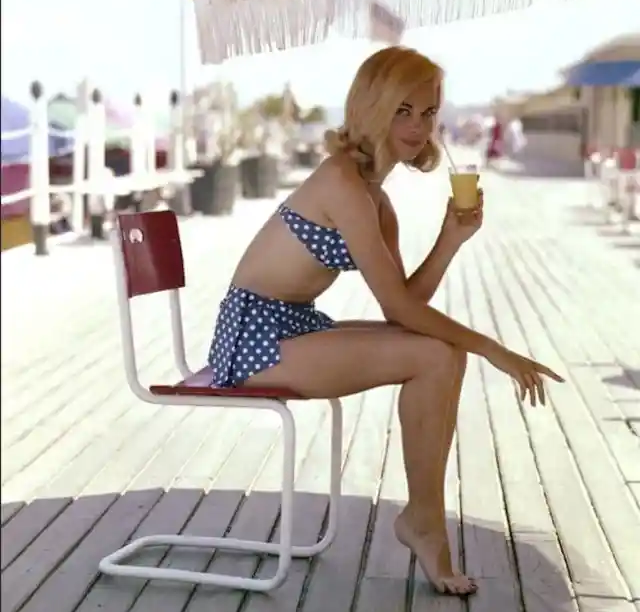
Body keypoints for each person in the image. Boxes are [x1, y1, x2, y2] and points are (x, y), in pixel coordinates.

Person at [207, 46, 564, 597]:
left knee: (441, 351)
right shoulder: (342, 183)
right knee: (436, 352)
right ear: (372, 108)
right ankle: (425, 522)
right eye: (404, 110)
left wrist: (450, 239)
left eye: (428, 112)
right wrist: (496, 349)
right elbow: (401, 312)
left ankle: (423, 519)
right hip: (255, 340)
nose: (419, 127)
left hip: (295, 327)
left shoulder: (376, 200)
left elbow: (401, 302)